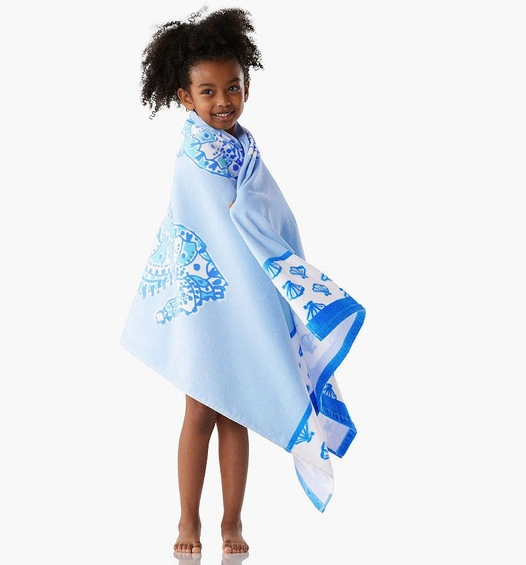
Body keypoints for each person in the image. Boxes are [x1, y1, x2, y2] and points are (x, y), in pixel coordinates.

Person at [121, 6, 365, 557]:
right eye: (207, 91)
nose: (223, 101)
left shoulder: (247, 151)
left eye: (232, 87)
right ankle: (188, 521)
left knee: (238, 411)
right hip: (207, 306)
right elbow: (204, 230)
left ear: (247, 86)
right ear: (184, 98)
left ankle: (232, 523)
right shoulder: (193, 160)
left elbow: (271, 222)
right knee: (199, 410)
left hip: (248, 301)